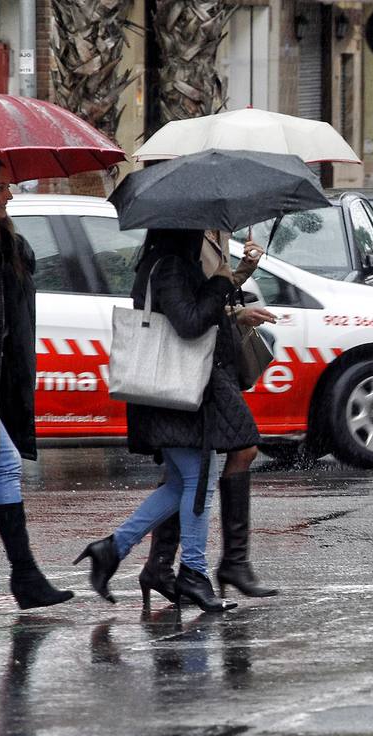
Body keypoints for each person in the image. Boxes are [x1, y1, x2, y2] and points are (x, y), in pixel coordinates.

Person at [74, 228, 273, 613]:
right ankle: (193, 571)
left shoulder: (172, 265)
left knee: (184, 482)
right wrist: (218, 283)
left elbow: (199, 309)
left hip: (179, 391)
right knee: (200, 479)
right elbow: (190, 322)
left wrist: (231, 281)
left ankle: (112, 549)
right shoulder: (169, 269)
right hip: (171, 391)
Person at [0, 157, 75, 609]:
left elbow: (11, 320)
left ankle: (25, 576)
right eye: (3, 187)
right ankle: (23, 576)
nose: (9, 194)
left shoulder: (7, 242)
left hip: (0, 379)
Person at [136, 230, 277, 604]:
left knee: (187, 470)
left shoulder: (216, 232)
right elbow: (193, 307)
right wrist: (234, 308)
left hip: (214, 356)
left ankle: (163, 564)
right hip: (195, 361)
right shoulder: (185, 237)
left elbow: (213, 293)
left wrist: (244, 270)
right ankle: (216, 563)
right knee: (229, 452)